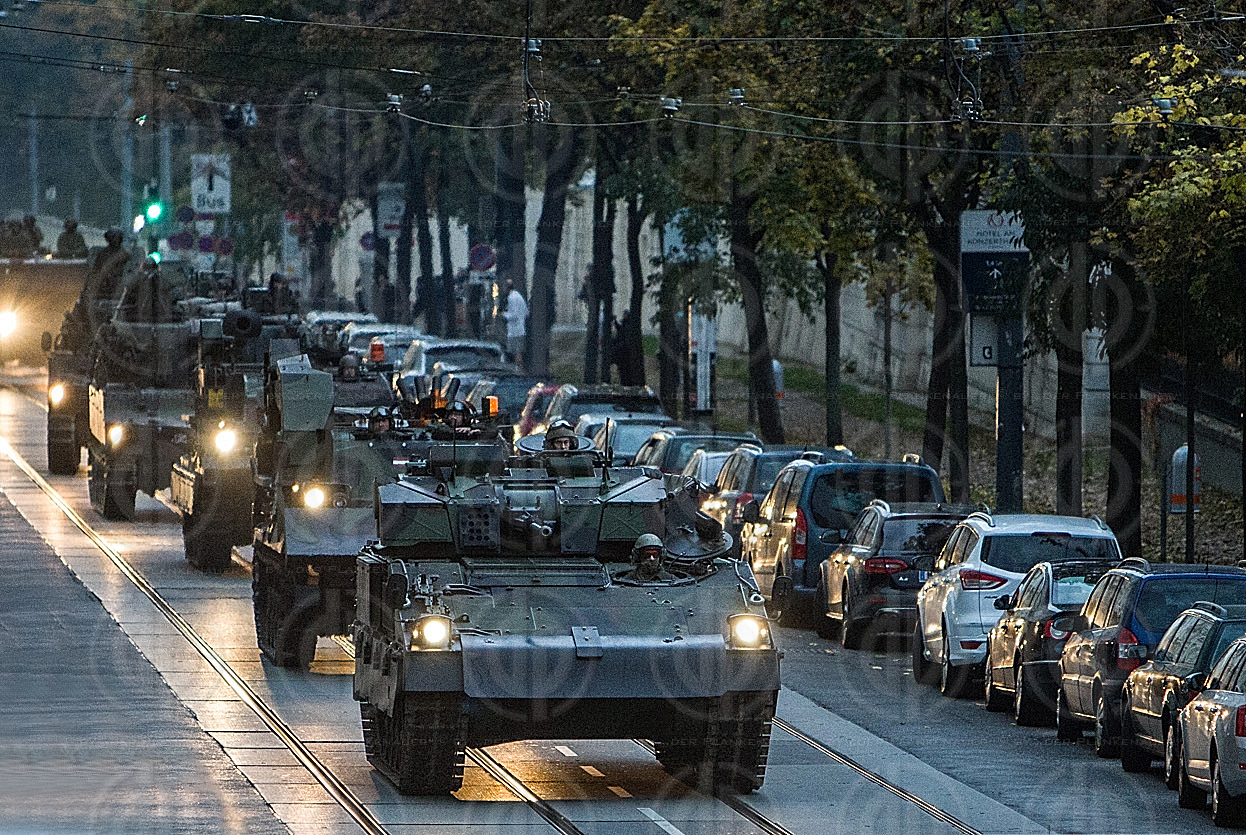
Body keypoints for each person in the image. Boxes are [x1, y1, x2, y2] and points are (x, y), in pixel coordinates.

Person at [502, 280, 528, 369]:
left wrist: (504, 315)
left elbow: (514, 315)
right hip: (520, 328)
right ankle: (519, 369)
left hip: (515, 330)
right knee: (518, 351)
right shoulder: (518, 296)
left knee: (516, 353)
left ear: (507, 287)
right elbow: (526, 312)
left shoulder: (512, 298)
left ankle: (518, 370)